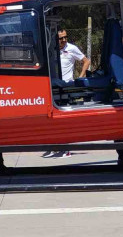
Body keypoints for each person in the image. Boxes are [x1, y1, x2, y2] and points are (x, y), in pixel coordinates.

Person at [43, 28, 91, 159]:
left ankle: (66, 149)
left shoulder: (71, 48)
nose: (64, 40)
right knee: (52, 121)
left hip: (66, 87)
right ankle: (55, 147)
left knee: (63, 121)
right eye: (61, 38)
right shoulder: (51, 50)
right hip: (53, 86)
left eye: (65, 37)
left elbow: (86, 61)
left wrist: (80, 77)